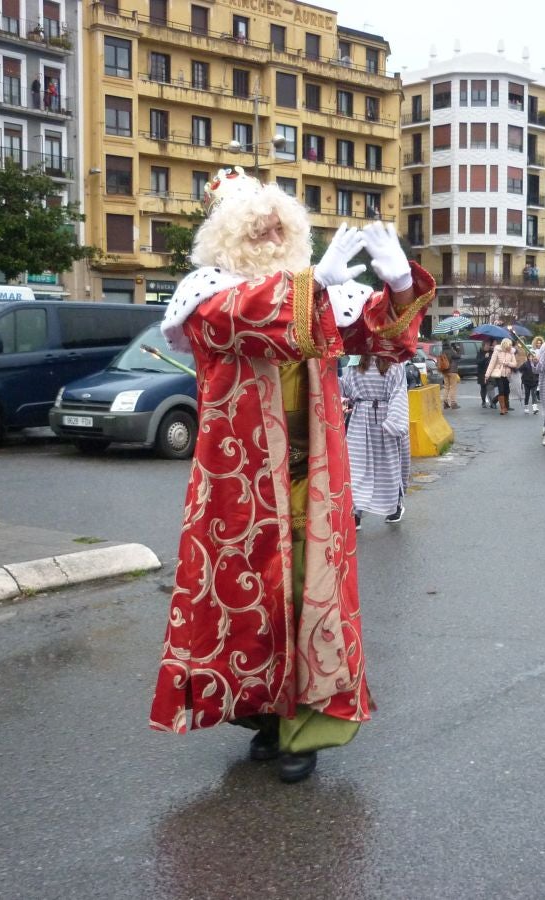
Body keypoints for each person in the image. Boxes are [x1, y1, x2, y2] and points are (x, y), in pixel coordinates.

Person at [150, 168, 434, 783]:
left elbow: (381, 342)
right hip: (241, 488)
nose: (268, 237)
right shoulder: (208, 294)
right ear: (225, 237)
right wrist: (313, 284)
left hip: (314, 479)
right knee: (253, 606)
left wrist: (400, 281)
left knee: (310, 601)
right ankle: (264, 719)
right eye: (256, 230)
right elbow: (242, 321)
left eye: (278, 229)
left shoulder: (316, 295)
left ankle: (303, 732)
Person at [341, 355, 410, 527]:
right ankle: (355, 511)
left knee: (389, 467)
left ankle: (394, 505)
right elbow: (345, 387)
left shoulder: (395, 362)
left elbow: (398, 393)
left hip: (384, 420)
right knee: (356, 468)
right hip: (360, 420)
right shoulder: (355, 360)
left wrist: (394, 422)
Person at [484, 337, 518, 415]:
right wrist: (487, 375)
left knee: (507, 390)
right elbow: (491, 363)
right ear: (505, 345)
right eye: (509, 345)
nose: (510, 347)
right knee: (501, 390)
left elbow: (515, 364)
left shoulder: (511, 352)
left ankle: (505, 406)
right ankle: (502, 408)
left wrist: (507, 363)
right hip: (499, 374)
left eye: (510, 345)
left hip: (507, 374)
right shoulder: (497, 351)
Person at [438, 341, 461, 409]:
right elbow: (458, 356)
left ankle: (445, 402)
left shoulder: (442, 352)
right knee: (453, 387)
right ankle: (453, 403)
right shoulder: (451, 351)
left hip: (445, 371)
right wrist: (458, 349)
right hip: (452, 371)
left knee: (446, 387)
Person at [477, 339, 494, 408]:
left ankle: (492, 402)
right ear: (483, 346)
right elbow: (478, 362)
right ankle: (483, 401)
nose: (488, 346)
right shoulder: (480, 353)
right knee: (483, 387)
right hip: (482, 373)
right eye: (486, 345)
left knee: (490, 387)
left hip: (489, 372)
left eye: (489, 345)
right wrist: (485, 357)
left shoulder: (491, 352)